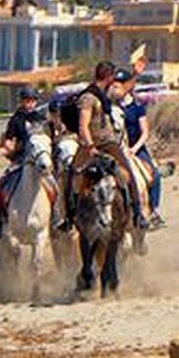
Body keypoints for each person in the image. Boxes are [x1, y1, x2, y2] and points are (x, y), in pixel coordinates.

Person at [61, 61, 149, 232]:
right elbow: (83, 126)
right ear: (108, 77)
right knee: (73, 174)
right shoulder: (88, 98)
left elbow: (124, 89)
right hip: (91, 144)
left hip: (109, 143)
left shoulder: (106, 92)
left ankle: (138, 214)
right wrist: (90, 146)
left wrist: (136, 74)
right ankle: (70, 217)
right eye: (113, 76)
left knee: (128, 172)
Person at [0, 87, 47, 237]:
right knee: (2, 183)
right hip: (21, 159)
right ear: (22, 101)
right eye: (28, 101)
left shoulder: (40, 118)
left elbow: (47, 136)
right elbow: (8, 139)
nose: (30, 104)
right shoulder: (16, 119)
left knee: (54, 187)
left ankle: (58, 217)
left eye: (33, 101)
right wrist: (11, 149)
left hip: (39, 159)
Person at [114, 68, 164, 229]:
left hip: (136, 148)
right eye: (114, 85)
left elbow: (145, 133)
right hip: (116, 149)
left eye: (119, 85)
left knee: (154, 175)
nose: (115, 88)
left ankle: (154, 210)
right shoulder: (111, 107)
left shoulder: (137, 107)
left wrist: (134, 149)